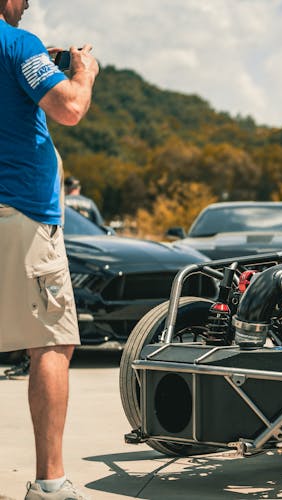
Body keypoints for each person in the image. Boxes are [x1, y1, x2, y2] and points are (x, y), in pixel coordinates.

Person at [0, 1, 99, 499]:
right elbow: (69, 109)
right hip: (20, 213)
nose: (28, 2)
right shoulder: (18, 44)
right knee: (51, 344)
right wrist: (82, 73)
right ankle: (50, 484)